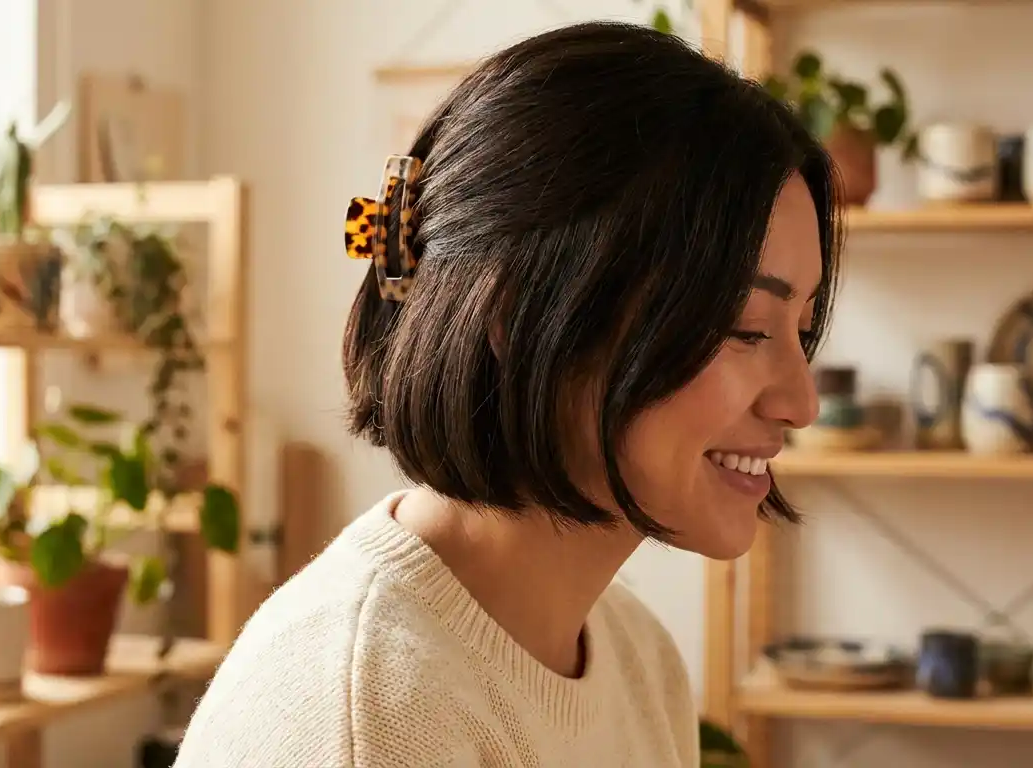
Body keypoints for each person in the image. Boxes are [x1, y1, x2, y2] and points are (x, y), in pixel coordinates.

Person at [174, 19, 840, 768]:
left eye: (802, 329)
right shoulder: (372, 720)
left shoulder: (637, 659)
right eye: (746, 327)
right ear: (518, 314)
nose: (799, 402)